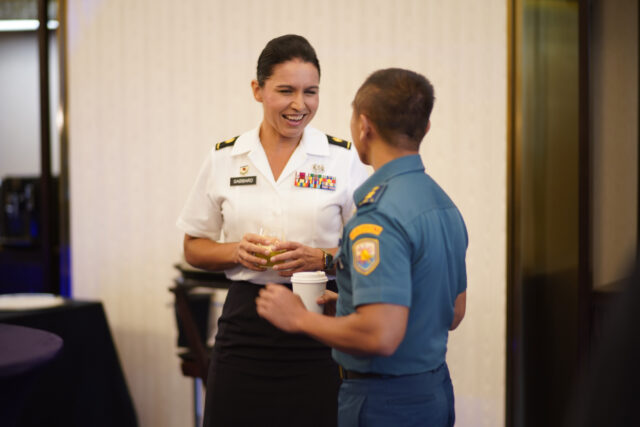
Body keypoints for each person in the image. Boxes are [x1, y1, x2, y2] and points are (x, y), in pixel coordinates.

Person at [256, 68, 468, 427]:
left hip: (385, 404)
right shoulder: (442, 202)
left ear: (363, 126)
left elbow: (379, 335)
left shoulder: (377, 217)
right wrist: (354, 304)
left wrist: (299, 318)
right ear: (425, 129)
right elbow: (452, 313)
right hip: (433, 393)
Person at [176, 34, 369, 427]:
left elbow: (370, 248)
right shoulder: (225, 158)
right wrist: (235, 252)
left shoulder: (341, 158)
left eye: (310, 92)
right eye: (286, 91)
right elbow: (193, 248)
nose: (300, 105)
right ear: (258, 90)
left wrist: (325, 258)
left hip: (319, 322)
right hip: (246, 322)